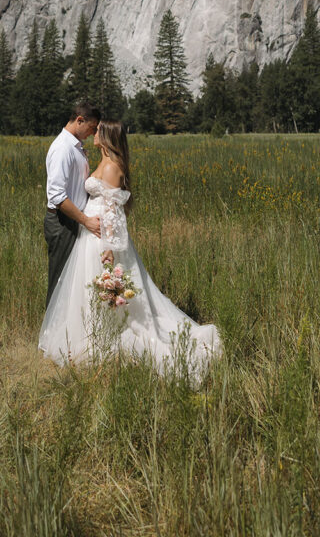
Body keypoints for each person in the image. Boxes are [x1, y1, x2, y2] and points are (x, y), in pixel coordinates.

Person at [39, 120, 222, 380]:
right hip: (89, 233)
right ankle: (88, 333)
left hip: (101, 237)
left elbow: (113, 213)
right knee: (85, 287)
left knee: (105, 288)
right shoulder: (103, 161)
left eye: (99, 130)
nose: (94, 132)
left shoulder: (112, 167)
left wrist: (109, 248)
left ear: (107, 137)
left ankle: (108, 337)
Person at [43, 102, 101, 308]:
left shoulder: (75, 146)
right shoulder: (62, 148)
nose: (93, 133)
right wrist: (86, 221)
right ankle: (51, 334)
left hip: (73, 219)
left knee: (71, 280)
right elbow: (57, 196)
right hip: (62, 222)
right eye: (91, 128)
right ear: (79, 120)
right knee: (60, 279)